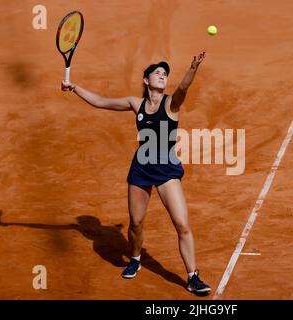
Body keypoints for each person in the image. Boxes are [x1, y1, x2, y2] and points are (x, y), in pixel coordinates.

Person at [61, 51, 211, 294]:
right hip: (141, 167)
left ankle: (193, 276)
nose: (163, 76)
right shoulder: (135, 103)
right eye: (158, 73)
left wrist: (193, 67)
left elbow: (184, 86)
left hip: (166, 170)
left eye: (165, 74)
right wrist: (74, 87)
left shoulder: (171, 104)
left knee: (182, 225)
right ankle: (135, 257)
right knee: (136, 224)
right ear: (146, 80)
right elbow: (101, 101)